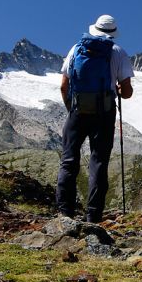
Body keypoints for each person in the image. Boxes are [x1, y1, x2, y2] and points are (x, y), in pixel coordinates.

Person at [57, 14, 134, 222]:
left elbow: (64, 86)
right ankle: (93, 216)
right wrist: (118, 88)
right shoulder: (118, 52)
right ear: (113, 33)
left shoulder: (76, 49)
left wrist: (71, 110)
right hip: (104, 113)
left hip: (78, 110)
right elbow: (126, 93)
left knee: (69, 160)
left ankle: (65, 213)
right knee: (98, 162)